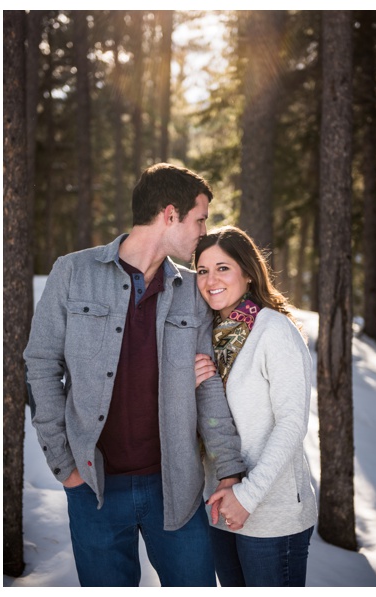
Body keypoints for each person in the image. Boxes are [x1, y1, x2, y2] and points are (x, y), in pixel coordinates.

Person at [24, 163, 246, 587]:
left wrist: (230, 468)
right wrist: (65, 467)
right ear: (169, 214)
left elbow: (208, 389)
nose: (204, 231)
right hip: (94, 488)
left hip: (176, 489)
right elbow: (40, 363)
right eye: (199, 219)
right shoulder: (73, 273)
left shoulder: (191, 293)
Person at [193, 226, 317, 586]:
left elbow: (292, 425)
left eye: (223, 268)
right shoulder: (208, 337)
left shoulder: (274, 331)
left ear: (248, 273)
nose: (210, 279)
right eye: (202, 270)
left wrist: (246, 496)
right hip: (219, 506)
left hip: (272, 515)